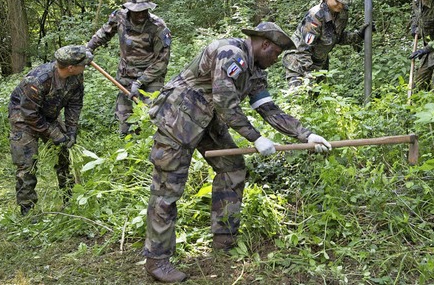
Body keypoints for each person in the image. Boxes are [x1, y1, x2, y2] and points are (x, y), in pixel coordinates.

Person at [142, 22, 332, 282]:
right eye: (275, 53)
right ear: (264, 45)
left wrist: (305, 134)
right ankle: (157, 260)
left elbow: (268, 108)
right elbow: (225, 102)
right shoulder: (231, 53)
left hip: (207, 122)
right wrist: (255, 138)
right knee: (167, 189)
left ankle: (224, 238)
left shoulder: (255, 71)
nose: (276, 60)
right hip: (178, 120)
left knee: (232, 168)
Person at [8, 45, 93, 216]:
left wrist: (71, 131)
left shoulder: (76, 77)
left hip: (49, 115)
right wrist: (54, 135)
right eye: (83, 64)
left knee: (65, 154)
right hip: (23, 118)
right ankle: (28, 210)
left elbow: (74, 104)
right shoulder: (37, 80)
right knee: (26, 164)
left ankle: (69, 198)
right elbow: (30, 114)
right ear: (70, 67)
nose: (86, 66)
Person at [86, 0, 171, 136]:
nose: (141, 14)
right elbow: (104, 33)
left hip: (151, 78)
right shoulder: (119, 17)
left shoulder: (158, 27)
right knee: (125, 120)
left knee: (150, 118)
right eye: (137, 11)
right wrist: (89, 48)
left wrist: (139, 82)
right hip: (126, 75)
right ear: (129, 9)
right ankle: (128, 151)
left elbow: (161, 62)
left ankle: (151, 152)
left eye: (144, 10)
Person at [282, 0, 366, 88]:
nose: (341, 5)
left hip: (319, 60)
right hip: (299, 60)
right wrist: (309, 75)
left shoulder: (342, 13)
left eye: (344, 2)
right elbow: (303, 50)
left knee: (318, 100)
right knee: (299, 97)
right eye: (337, 0)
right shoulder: (315, 17)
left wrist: (358, 36)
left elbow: (336, 37)